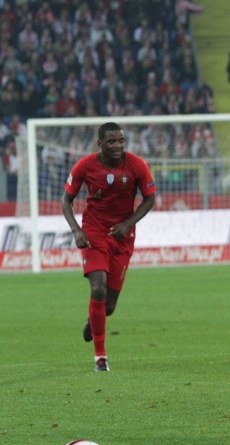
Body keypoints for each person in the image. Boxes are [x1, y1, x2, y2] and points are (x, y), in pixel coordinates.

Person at [61, 122, 156, 372]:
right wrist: (76, 230)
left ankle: (93, 321)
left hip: (123, 236)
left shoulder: (137, 165)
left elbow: (150, 198)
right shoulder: (85, 165)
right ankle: (100, 358)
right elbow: (66, 199)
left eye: (121, 141)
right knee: (99, 289)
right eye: (112, 141)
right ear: (100, 144)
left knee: (109, 306)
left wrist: (128, 223)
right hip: (94, 231)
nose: (118, 146)